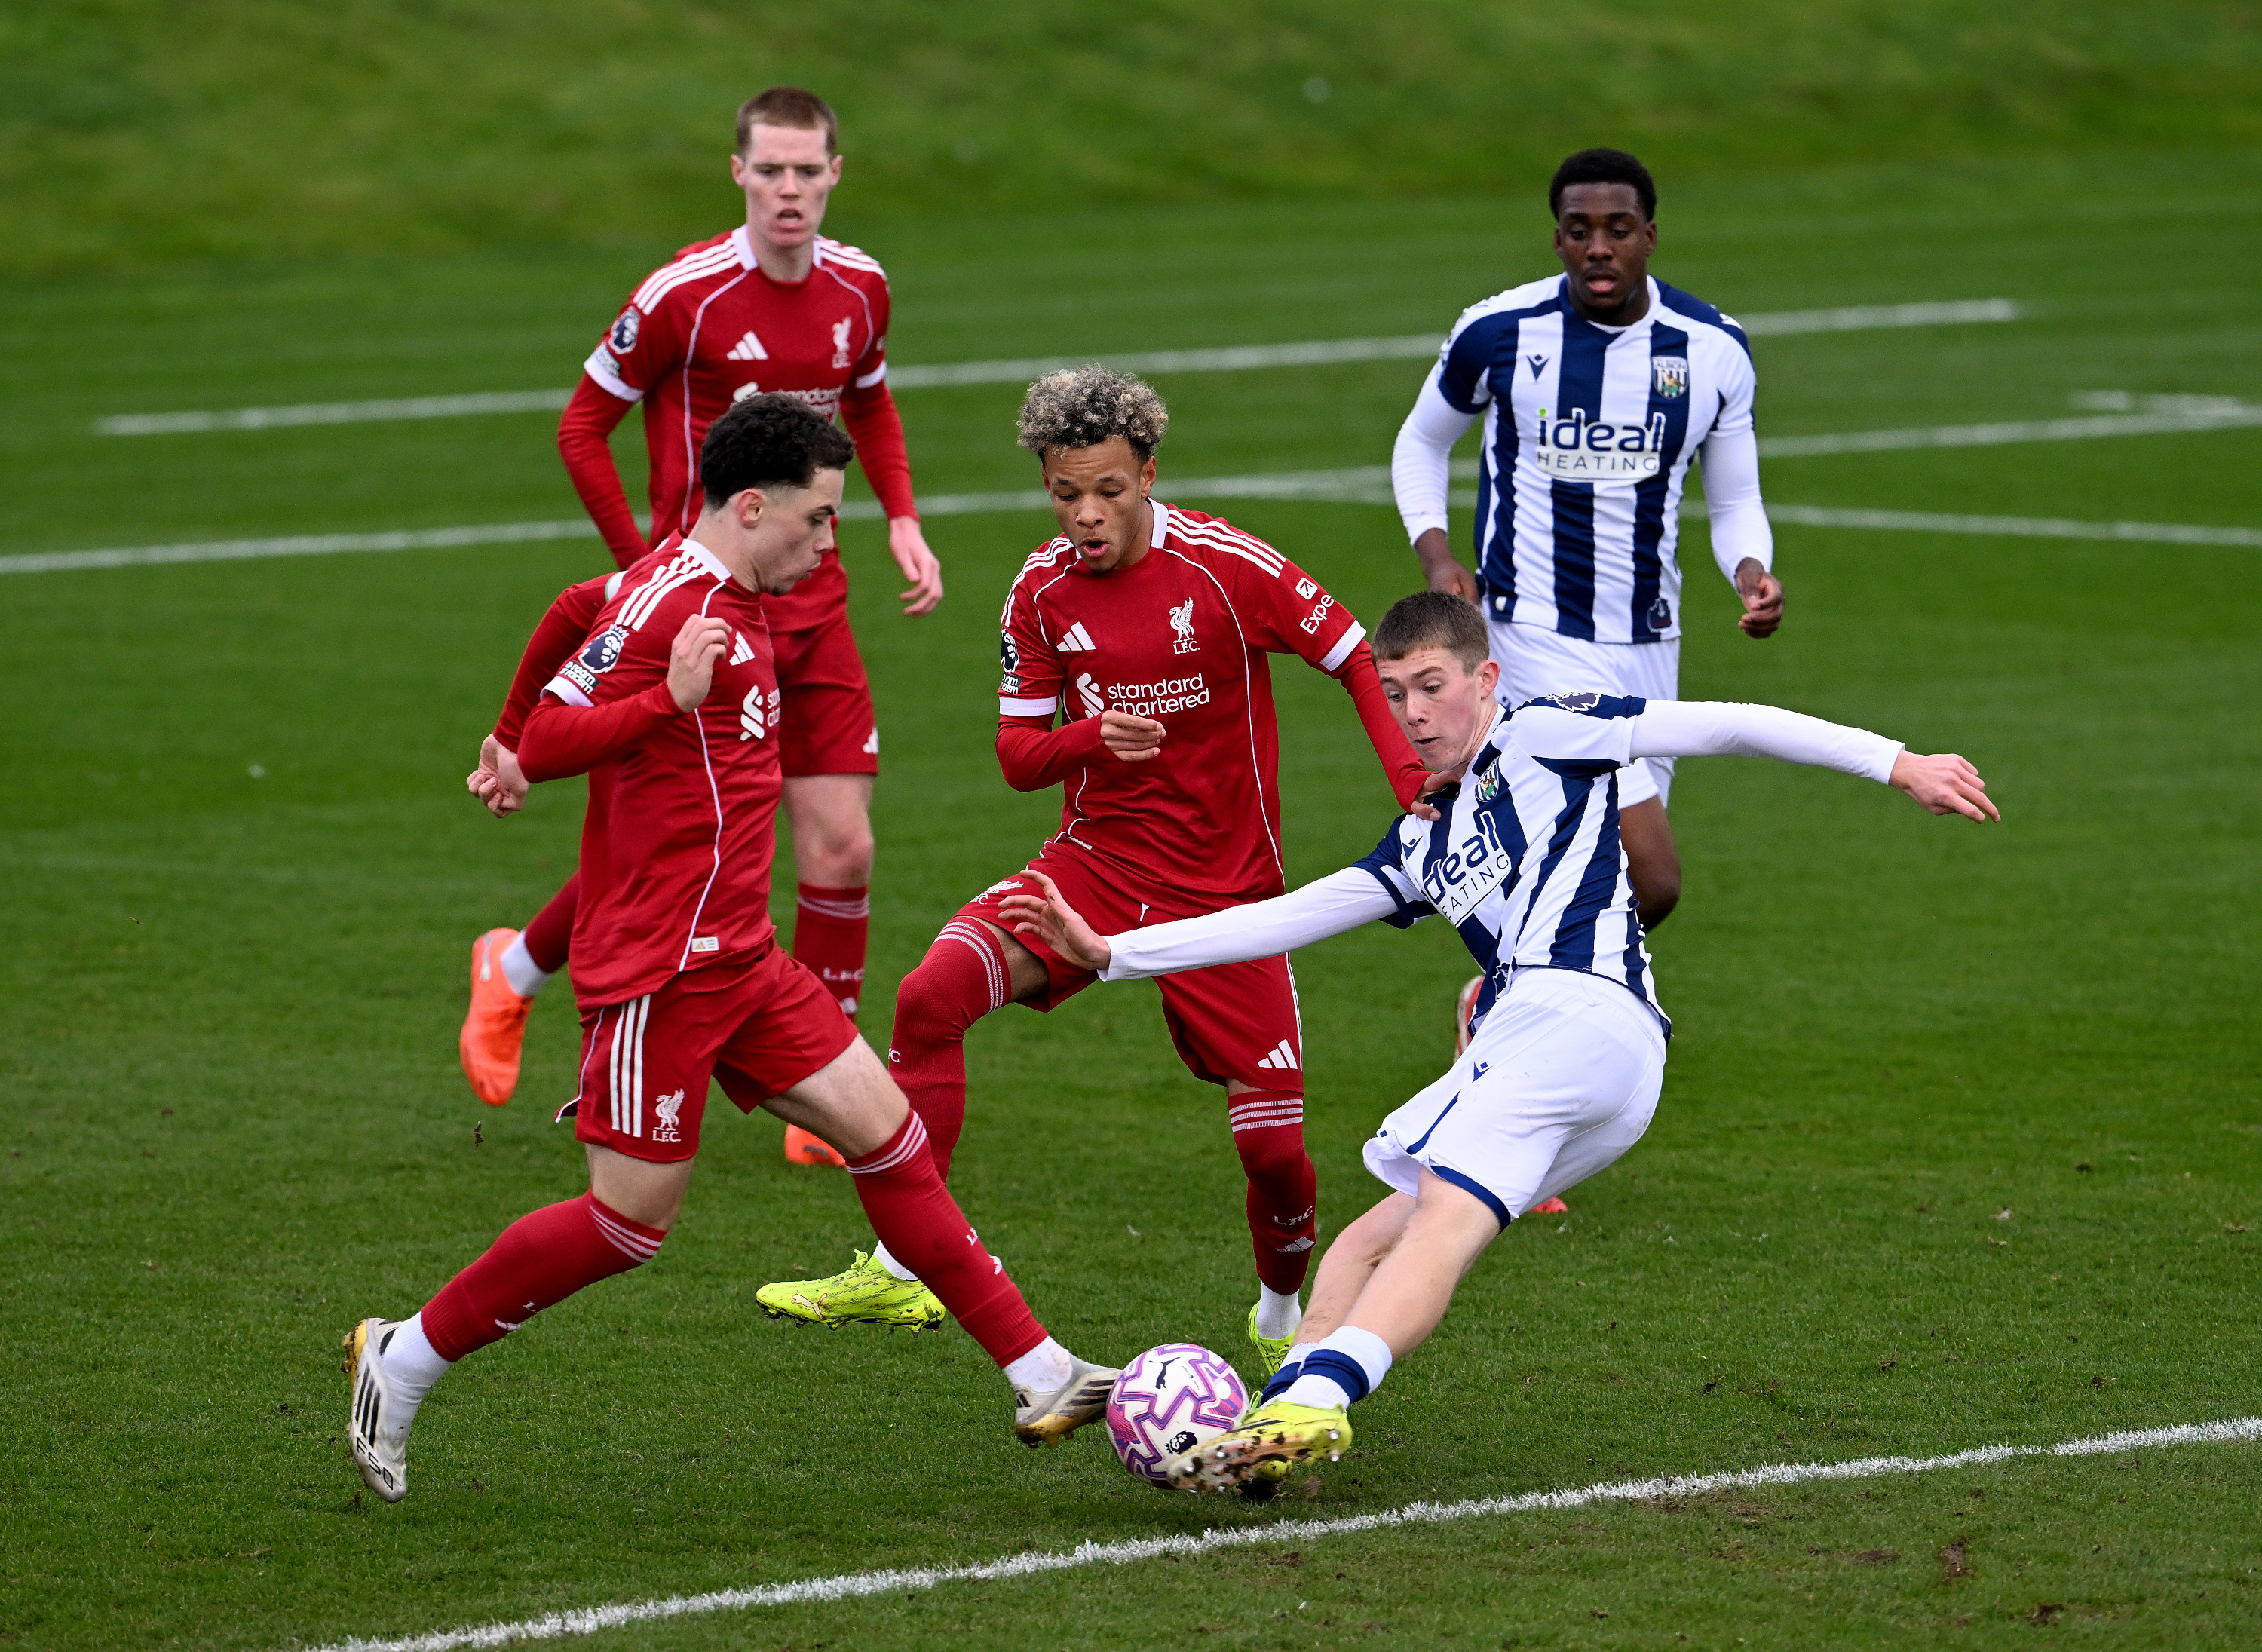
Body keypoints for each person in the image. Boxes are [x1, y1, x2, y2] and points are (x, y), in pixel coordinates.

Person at [998, 591, 1995, 1491]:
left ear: (1486, 678)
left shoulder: (1548, 730)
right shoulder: (1422, 837)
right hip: (1575, 1055)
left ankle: (1322, 1396)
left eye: (1432, 684)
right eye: (1395, 692)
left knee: (1440, 1217)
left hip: (1578, 1014)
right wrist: (1113, 953)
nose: (1414, 711)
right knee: (1367, 1239)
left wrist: (1896, 762)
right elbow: (1288, 914)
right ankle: (1275, 1418)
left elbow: (1726, 723)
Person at [347, 397, 1114, 1505]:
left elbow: (573, 606)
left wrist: (505, 736)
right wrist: (636, 710)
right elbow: (558, 734)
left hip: (744, 958)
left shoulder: (713, 590)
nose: (830, 540)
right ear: (751, 506)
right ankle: (403, 1355)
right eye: (818, 516)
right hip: (657, 970)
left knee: (892, 1137)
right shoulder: (676, 611)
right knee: (626, 1225)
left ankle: (1045, 1372)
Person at [753, 368, 1445, 1375]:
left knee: (1273, 1155)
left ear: (1148, 475)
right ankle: (903, 1266)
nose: (1085, 513)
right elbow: (1017, 757)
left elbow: (1351, 654)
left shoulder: (1225, 566)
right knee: (930, 994)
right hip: (1096, 869)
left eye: (1108, 491)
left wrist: (1411, 781)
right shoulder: (1039, 591)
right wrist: (1088, 737)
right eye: (1065, 492)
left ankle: (1280, 1310)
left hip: (1228, 898)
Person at [461, 87, 942, 1175]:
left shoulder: (862, 286)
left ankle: (824, 1088)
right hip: (707, 624)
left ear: (836, 174)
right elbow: (583, 426)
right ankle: (516, 970)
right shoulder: (683, 294)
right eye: (769, 170)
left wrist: (904, 518)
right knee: (684, 843)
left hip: (814, 608)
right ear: (738, 173)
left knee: (843, 843)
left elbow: (870, 400)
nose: (788, 190)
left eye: (807, 171)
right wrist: (643, 564)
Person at [1391, 146, 1787, 1053]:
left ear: (1650, 235)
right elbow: (1421, 442)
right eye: (1579, 231)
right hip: (1531, 635)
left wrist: (1750, 570)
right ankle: (1509, 1008)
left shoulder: (1711, 350)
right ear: (1558, 239)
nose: (1598, 247)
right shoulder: (1500, 332)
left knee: (1610, 883)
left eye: (1617, 229)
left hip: (1649, 644)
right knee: (1653, 876)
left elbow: (1734, 498)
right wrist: (1438, 554)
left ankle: (1503, 1011)